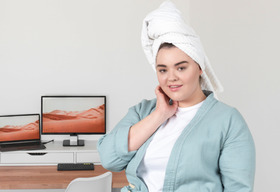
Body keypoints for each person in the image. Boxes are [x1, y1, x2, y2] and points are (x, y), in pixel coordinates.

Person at [98, 1, 255, 192]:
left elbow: (238, 189)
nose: (171, 77)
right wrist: (159, 115)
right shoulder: (143, 111)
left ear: (199, 68)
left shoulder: (228, 121)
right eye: (163, 69)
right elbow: (109, 159)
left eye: (181, 67)